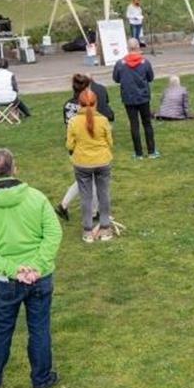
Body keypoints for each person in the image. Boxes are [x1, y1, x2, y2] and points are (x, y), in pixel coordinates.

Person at [0, 148, 62, 388]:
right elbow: (53, 235)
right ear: (14, 169)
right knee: (39, 329)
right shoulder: (37, 198)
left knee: (0, 332)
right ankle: (41, 380)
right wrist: (35, 267)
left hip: (6, 281)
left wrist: (14, 270)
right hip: (37, 278)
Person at [55, 74, 115, 220]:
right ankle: (94, 212)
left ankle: (64, 205)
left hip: (75, 147)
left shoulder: (68, 105)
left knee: (84, 178)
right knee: (93, 180)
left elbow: (68, 128)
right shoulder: (90, 103)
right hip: (93, 146)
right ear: (87, 87)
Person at [66, 88, 115, 242]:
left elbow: (69, 144)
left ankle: (88, 231)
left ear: (79, 103)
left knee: (86, 196)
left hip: (82, 163)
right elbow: (110, 142)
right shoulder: (103, 120)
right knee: (103, 193)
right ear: (96, 103)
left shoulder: (73, 122)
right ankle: (105, 229)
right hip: (102, 161)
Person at [112, 38, 158, 159]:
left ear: (128, 48)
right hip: (143, 97)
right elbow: (151, 77)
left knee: (134, 124)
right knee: (147, 123)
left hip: (128, 97)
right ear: (138, 47)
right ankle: (151, 151)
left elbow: (116, 79)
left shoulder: (120, 63)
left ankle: (138, 153)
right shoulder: (145, 62)